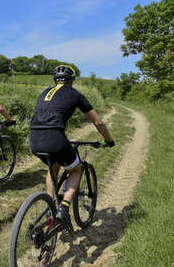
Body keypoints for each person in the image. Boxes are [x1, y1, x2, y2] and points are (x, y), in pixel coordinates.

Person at [29, 65, 114, 232]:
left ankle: (51, 206)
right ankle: (63, 208)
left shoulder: (44, 92)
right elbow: (98, 122)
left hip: (33, 138)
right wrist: (108, 140)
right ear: (72, 81)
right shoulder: (75, 94)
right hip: (55, 138)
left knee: (53, 166)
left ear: (54, 81)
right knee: (76, 170)